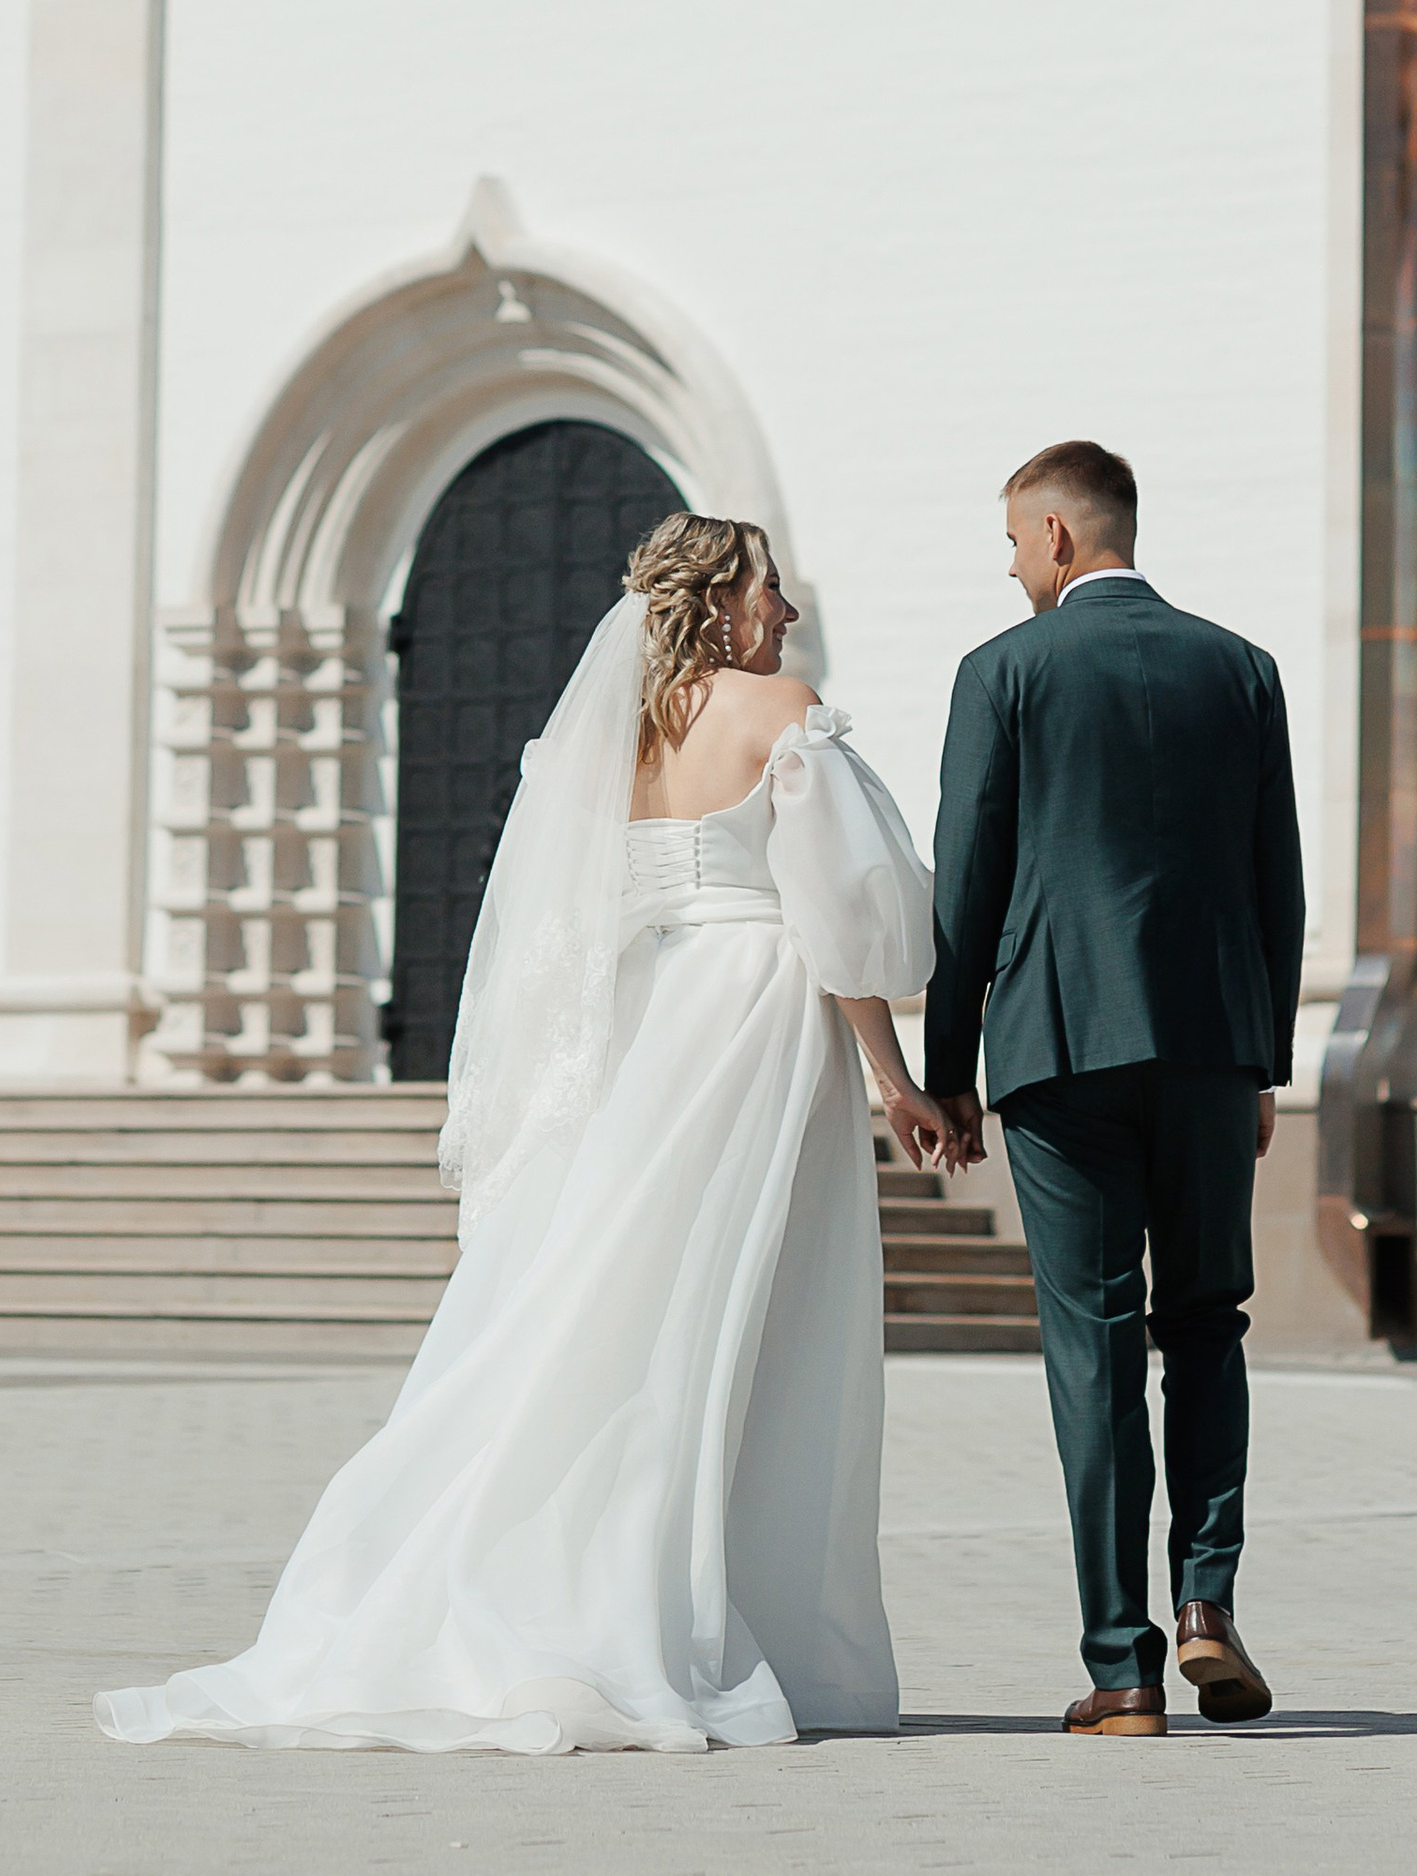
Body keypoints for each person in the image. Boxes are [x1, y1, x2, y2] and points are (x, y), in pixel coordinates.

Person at [95, 511, 950, 1756]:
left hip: (652, 1026)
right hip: (757, 1019)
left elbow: (558, 931)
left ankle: (557, 1572)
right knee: (731, 1319)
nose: (789, 613)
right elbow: (841, 920)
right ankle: (675, 1608)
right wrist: (895, 1075)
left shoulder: (607, 739)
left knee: (613, 1297)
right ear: (718, 601)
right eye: (772, 589)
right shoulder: (779, 714)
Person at [926, 440, 1306, 1737]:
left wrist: (943, 1072)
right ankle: (1208, 1604)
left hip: (1058, 1049)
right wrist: (1265, 1059)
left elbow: (965, 889)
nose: (1011, 565)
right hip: (1209, 1048)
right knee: (1208, 1324)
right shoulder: (1241, 669)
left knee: (1093, 1344)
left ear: (1056, 536)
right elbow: (1279, 887)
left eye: (1015, 543)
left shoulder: (1003, 673)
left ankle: (1123, 1668)